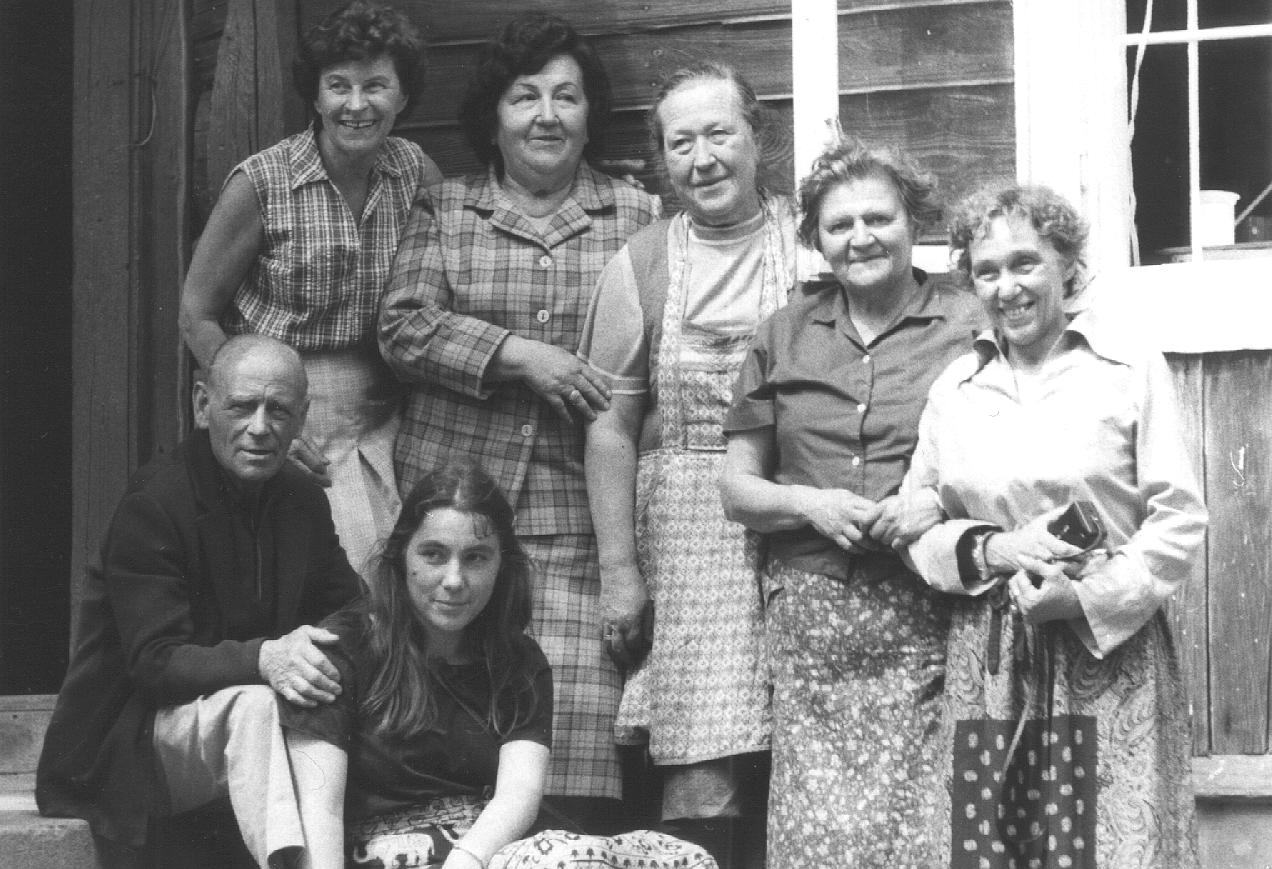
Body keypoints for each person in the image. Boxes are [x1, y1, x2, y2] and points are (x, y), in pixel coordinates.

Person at [379, 12, 660, 828]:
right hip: (453, 516)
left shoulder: (635, 217)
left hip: (579, 525)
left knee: (570, 745)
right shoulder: (447, 208)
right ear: (493, 116)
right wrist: (519, 356)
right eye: (525, 96)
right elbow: (402, 326)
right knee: (444, 725)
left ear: (590, 115)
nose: (546, 115)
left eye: (566, 97)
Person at [900, 183, 1206, 867]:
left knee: (1111, 848)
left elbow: (1179, 517)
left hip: (1106, 649)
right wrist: (996, 549)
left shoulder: (1127, 369)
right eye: (987, 270)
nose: (1006, 287)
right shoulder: (956, 389)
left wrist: (1083, 598)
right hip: (990, 658)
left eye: (1025, 263)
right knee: (991, 850)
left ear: (1066, 264)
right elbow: (917, 526)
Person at [718, 134, 984, 867]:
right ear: (816, 239)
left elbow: (1010, 456)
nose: (860, 237)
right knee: (818, 824)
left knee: (931, 817)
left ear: (913, 221)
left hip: (929, 603)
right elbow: (737, 487)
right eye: (839, 225)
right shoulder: (784, 333)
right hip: (812, 618)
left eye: (878, 218)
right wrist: (813, 505)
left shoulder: (968, 322)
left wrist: (932, 501)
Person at [278, 458, 718, 869]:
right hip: (384, 854)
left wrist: (467, 860)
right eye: (433, 554)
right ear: (401, 556)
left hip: (484, 852)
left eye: (475, 557)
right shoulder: (343, 646)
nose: (454, 580)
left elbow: (517, 797)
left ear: (501, 565)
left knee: (684, 860)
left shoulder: (518, 660)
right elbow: (320, 809)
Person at [36, 335, 364, 868]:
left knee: (314, 686)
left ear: (302, 417)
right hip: (129, 746)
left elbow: (353, 611)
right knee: (257, 704)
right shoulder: (155, 503)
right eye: (242, 406)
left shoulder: (302, 499)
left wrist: (313, 652)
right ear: (202, 404)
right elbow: (155, 664)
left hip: (241, 740)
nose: (260, 427)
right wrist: (266, 657)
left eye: (279, 410)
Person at [578, 61, 794, 867]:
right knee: (705, 758)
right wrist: (620, 571)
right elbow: (609, 425)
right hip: (690, 545)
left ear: (756, 137)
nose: (702, 160)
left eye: (719, 134)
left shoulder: (810, 242)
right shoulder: (642, 262)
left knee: (810, 746)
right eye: (681, 143)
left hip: (798, 516)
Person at [179, 1, 442, 580]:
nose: (356, 105)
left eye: (376, 86)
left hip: (385, 415)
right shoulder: (263, 182)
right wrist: (266, 416)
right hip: (279, 408)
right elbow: (196, 313)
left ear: (402, 96)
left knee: (394, 578)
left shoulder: (415, 172)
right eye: (339, 86)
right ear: (316, 97)